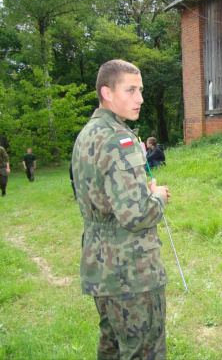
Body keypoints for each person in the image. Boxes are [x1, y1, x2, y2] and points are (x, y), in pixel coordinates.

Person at [71, 59, 170, 359]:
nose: (139, 98)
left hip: (100, 266)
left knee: (112, 346)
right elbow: (136, 215)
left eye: (140, 90)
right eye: (130, 90)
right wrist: (160, 198)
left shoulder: (87, 134)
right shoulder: (119, 139)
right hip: (132, 271)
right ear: (107, 92)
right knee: (144, 350)